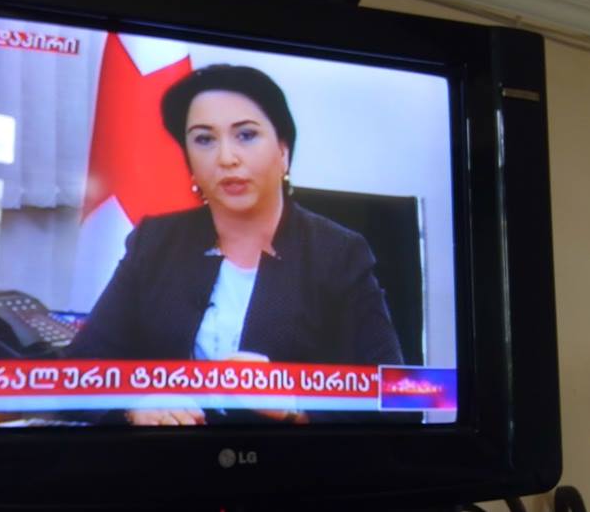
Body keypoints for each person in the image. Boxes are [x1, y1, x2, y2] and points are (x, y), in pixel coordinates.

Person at [66, 64, 404, 425]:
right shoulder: (156, 242)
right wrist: (134, 408)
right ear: (189, 162)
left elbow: (401, 397)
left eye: (246, 135)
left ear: (284, 151)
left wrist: (295, 406)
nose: (226, 158)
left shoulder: (338, 253)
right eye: (204, 140)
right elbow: (77, 374)